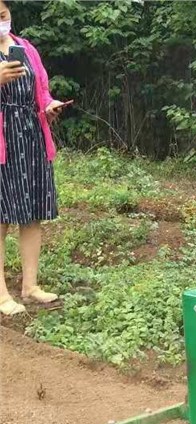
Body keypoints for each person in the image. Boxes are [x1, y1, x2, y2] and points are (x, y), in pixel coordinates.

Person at [0, 0, 68, 316]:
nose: (1, 22)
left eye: (3, 15)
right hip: (3, 142)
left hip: (32, 136)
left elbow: (41, 90)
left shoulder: (26, 48)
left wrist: (49, 105)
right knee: (1, 217)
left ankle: (30, 286)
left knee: (32, 212)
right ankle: (1, 295)